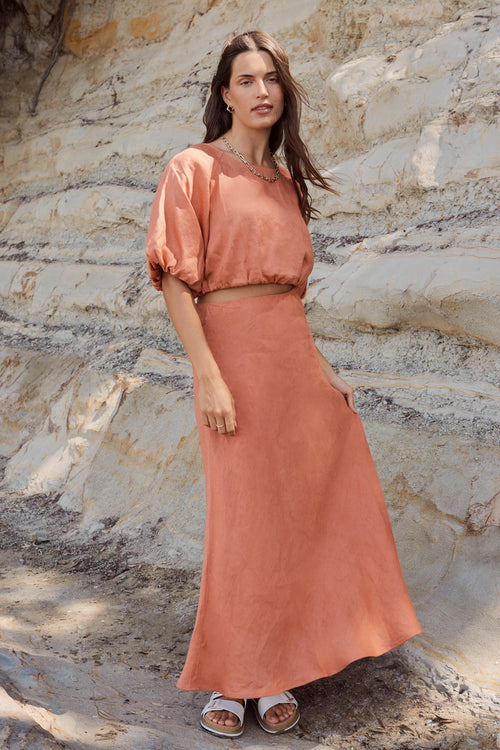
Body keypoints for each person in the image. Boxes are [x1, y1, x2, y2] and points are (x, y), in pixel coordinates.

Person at [146, 30, 421, 739]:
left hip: (293, 363)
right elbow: (178, 280)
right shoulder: (194, 168)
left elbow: (286, 295)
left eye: (271, 78)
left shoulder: (285, 182)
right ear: (224, 92)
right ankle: (231, 681)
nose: (261, 90)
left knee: (298, 521)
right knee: (243, 521)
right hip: (230, 362)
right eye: (246, 79)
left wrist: (322, 368)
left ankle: (275, 671)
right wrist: (207, 374)